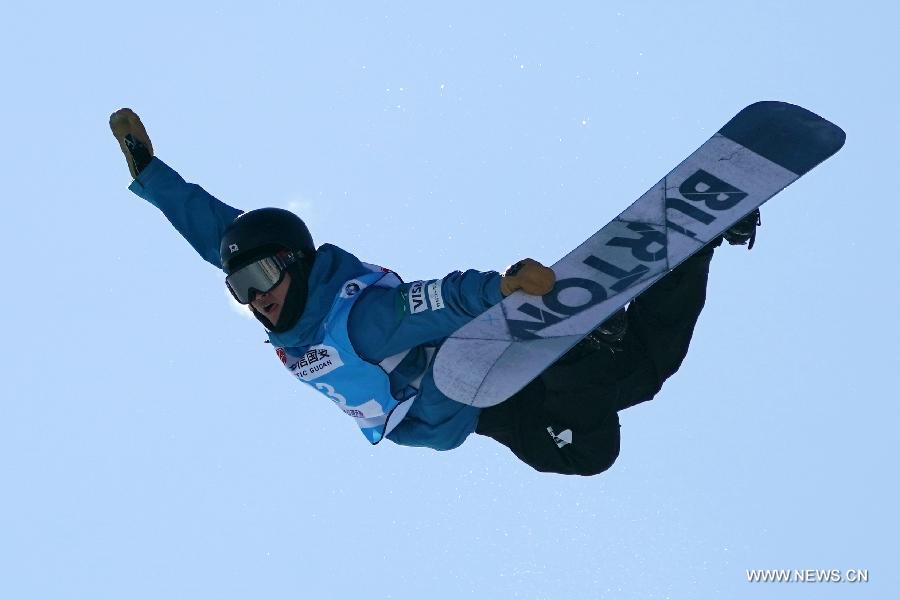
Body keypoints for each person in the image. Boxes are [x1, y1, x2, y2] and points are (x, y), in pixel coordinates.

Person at [110, 108, 759, 476]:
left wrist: (501, 287)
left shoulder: (360, 318)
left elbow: (436, 299)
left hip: (470, 395)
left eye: (260, 280)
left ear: (295, 264)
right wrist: (152, 175)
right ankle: (601, 332)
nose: (255, 299)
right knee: (624, 401)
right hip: (457, 409)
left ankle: (598, 332)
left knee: (609, 419)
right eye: (239, 288)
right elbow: (216, 232)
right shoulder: (293, 308)